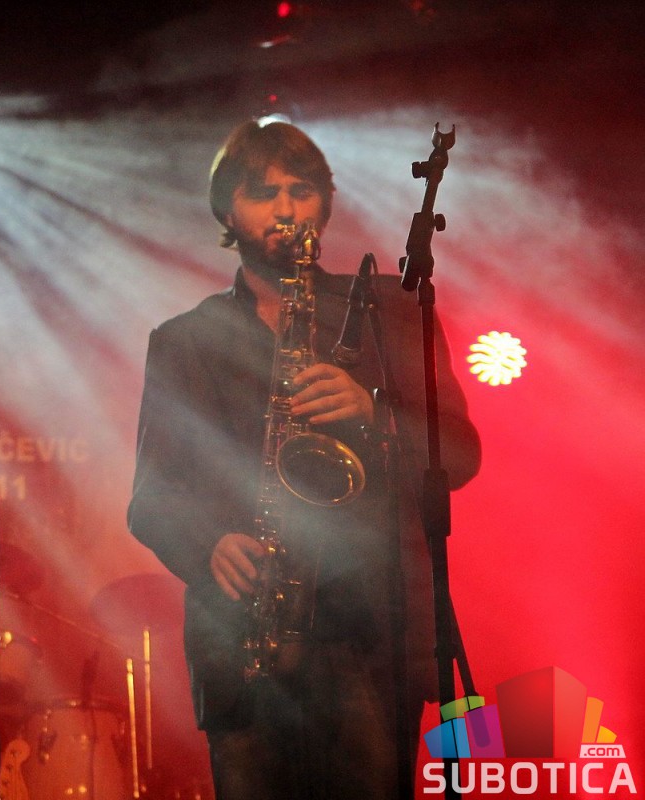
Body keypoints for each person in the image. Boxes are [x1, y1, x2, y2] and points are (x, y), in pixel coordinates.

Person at [127, 120, 481, 799]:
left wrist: (373, 416)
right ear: (227, 210)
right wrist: (208, 545)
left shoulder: (392, 310)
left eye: (302, 190)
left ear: (326, 204)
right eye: (263, 193)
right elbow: (151, 499)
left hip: (371, 634)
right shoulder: (183, 340)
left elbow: (460, 455)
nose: (286, 208)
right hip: (245, 644)